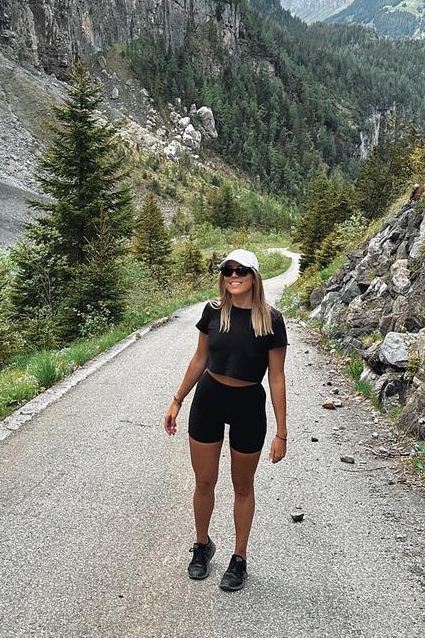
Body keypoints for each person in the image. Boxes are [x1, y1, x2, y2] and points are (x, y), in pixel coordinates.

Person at [163, 248, 288, 592]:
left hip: (248, 403)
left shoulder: (272, 320)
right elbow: (199, 358)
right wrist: (177, 400)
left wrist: (282, 431)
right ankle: (202, 546)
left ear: (254, 277)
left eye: (241, 270)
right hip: (209, 398)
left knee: (242, 486)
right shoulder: (213, 311)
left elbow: (276, 377)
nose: (233, 276)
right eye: (228, 270)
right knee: (204, 481)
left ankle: (239, 558)